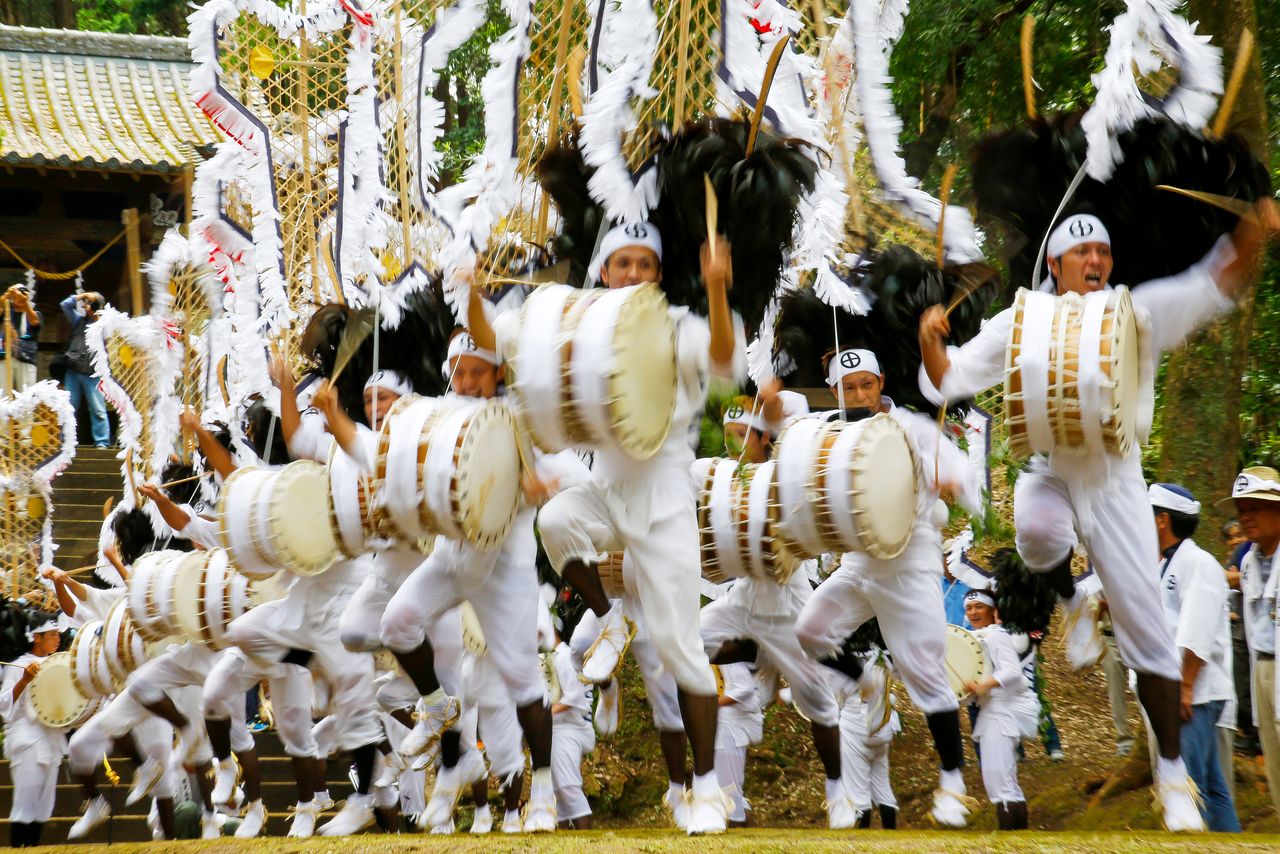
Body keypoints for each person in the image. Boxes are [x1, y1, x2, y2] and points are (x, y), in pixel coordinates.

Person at [919, 207, 1271, 832]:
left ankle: (1170, 777)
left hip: (1118, 481)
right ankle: (1072, 602)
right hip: (1055, 472)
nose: (1096, 261)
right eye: (1083, 253)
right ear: (1054, 265)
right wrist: (930, 341)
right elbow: (945, 379)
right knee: (1033, 527)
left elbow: (1216, 278)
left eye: (1104, 252)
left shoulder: (1135, 312)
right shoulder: (1022, 321)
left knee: (1150, 639)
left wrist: (1256, 227)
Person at [468, 223, 743, 835]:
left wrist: (718, 289)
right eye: (623, 264)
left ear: (658, 276)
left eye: (645, 264)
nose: (633, 273)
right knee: (558, 517)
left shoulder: (677, 325)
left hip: (667, 498)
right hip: (608, 490)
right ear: (604, 272)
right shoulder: (575, 323)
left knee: (682, 652)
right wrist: (472, 292)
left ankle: (703, 792)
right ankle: (612, 620)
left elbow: (725, 359)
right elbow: (494, 337)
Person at [792, 346, 980, 828]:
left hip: (910, 559)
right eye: (848, 388)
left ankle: (953, 783)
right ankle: (864, 678)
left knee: (928, 678)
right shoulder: (828, 434)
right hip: (859, 561)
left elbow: (955, 467)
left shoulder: (913, 427)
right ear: (835, 391)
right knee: (810, 630)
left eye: (866, 385)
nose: (858, 394)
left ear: (880, 385)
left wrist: (953, 480)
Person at [1149, 483, 1239, 832]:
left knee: (1188, 785)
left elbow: (1196, 628)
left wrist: (1184, 687)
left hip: (1195, 691)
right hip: (1183, 688)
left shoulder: (1199, 563)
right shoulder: (1166, 565)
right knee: (1213, 788)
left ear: (1161, 520)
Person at [1224, 465, 1280, 816]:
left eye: (1254, 508)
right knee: (1272, 751)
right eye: (1242, 510)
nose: (1246, 517)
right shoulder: (1248, 562)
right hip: (1261, 664)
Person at [963, 591, 1038, 830]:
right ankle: (1018, 837)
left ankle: (1009, 837)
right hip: (990, 710)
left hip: (1000, 712)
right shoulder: (979, 637)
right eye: (969, 608)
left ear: (992, 610)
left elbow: (1011, 671)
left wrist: (982, 685)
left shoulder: (995, 636)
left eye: (979, 607)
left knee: (999, 781)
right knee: (1006, 782)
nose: (973, 612)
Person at [0, 612, 65, 847]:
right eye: (52, 634)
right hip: (27, 739)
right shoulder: (18, 665)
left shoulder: (57, 664)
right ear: (37, 638)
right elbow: (3, 703)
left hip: (52, 740)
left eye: (58, 634)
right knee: (25, 804)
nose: (57, 638)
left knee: (43, 807)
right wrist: (24, 680)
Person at [59, 291, 109, 447]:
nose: (89, 307)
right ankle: (65, 441)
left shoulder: (105, 325)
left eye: (93, 304)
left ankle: (102, 442)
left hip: (93, 373)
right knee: (68, 408)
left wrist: (97, 308)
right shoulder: (78, 321)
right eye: (87, 304)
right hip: (73, 371)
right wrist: (80, 296)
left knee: (98, 410)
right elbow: (64, 305)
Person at [1097, 596, 1136, 756]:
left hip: (1133, 636)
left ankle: (1150, 734)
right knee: (1115, 692)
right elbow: (1092, 614)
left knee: (1141, 689)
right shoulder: (1094, 580)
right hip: (1109, 639)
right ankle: (1124, 741)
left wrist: (1112, 606)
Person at [0, 284, 41, 393]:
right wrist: (7, 294)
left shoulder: (34, 313)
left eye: (22, 292)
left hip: (26, 357)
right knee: (2, 394)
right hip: (5, 356)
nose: (18, 296)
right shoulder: (6, 312)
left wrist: (25, 302)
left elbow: (35, 322)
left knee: (27, 394)